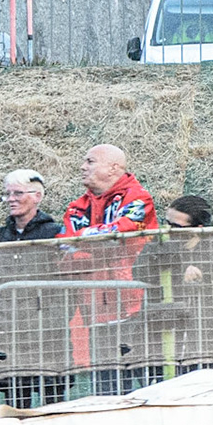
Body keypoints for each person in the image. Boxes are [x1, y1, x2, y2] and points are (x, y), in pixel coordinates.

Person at [0, 169, 71, 409]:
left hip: (47, 336)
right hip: (7, 333)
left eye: (18, 193)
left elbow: (67, 287)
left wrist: (53, 321)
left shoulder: (56, 234)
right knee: (13, 406)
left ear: (37, 196)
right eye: (7, 194)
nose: (11, 199)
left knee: (53, 406)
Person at [59, 144, 158, 395]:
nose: (82, 167)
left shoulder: (138, 197)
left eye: (90, 161)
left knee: (152, 390)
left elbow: (126, 228)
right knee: (107, 392)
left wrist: (83, 240)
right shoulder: (77, 207)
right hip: (96, 311)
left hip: (137, 311)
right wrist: (99, 241)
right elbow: (65, 250)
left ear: (113, 168)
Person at [130, 196, 213, 376]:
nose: (168, 229)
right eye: (166, 222)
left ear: (197, 228)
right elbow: (139, 271)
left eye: (176, 226)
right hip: (169, 341)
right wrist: (176, 268)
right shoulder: (159, 242)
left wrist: (203, 271)